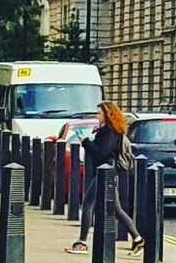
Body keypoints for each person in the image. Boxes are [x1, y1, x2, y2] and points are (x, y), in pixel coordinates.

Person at [65, 102, 142, 255]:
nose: (96, 116)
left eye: (99, 113)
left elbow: (101, 154)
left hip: (106, 174)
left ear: (108, 115)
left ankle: (81, 242)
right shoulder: (107, 131)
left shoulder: (110, 132)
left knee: (87, 204)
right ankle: (138, 240)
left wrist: (85, 142)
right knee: (116, 209)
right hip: (106, 174)